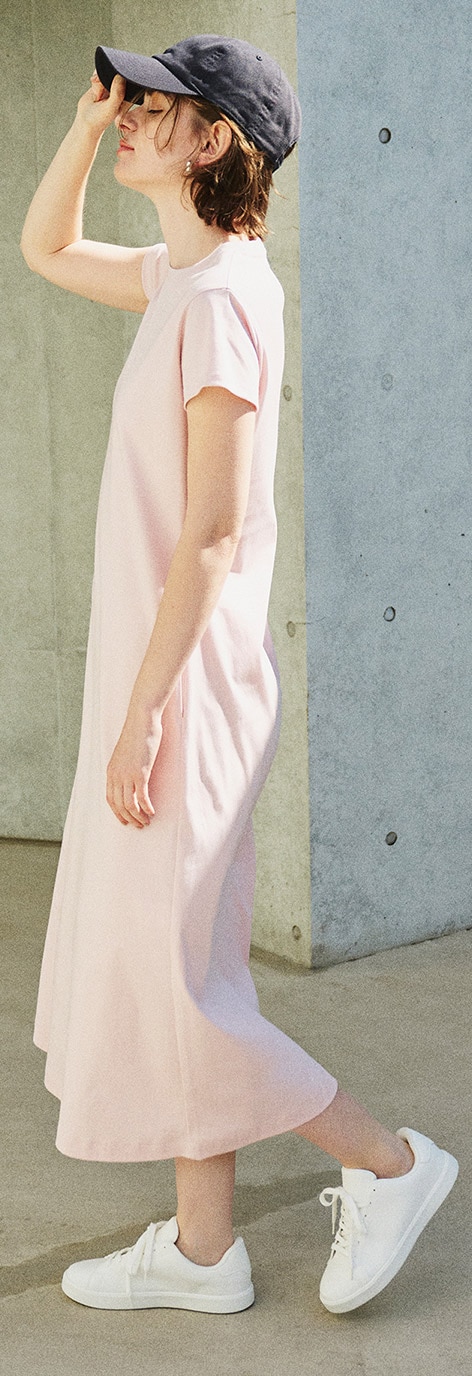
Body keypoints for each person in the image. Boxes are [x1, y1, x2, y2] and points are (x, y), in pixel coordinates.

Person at [21, 33, 458, 1317]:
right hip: (166, 680)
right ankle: (205, 1248)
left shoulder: (218, 301)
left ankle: (389, 1161)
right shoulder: (186, 278)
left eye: (153, 104)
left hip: (185, 693)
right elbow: (45, 248)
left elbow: (211, 534)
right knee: (181, 971)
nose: (131, 113)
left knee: (182, 987)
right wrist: (85, 128)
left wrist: (143, 716)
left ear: (215, 138)